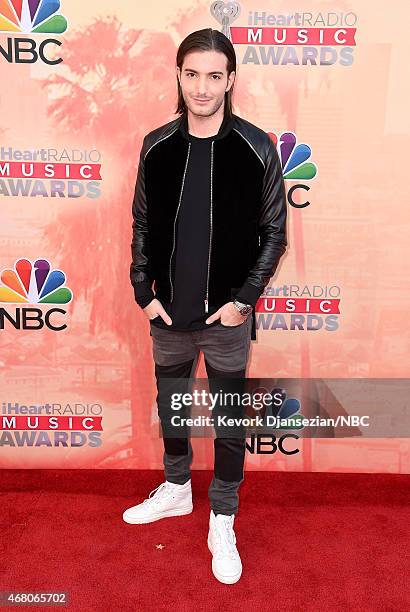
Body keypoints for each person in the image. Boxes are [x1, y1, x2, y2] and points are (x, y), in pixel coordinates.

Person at [123, 28, 287, 585]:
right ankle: (175, 490)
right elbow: (143, 224)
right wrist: (143, 292)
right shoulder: (156, 145)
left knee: (228, 424)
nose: (201, 86)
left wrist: (244, 301)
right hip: (168, 315)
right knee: (172, 406)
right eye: (191, 74)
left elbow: (274, 234)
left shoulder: (258, 147)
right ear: (178, 75)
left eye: (214, 75)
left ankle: (222, 516)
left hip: (227, 321)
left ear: (231, 80)